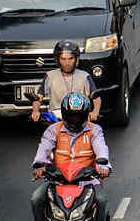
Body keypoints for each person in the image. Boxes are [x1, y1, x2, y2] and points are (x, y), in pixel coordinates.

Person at [30, 93, 110, 221]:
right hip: (57, 180)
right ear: (64, 114)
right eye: (71, 115)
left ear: (85, 115)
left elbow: (101, 149)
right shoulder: (53, 130)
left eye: (78, 116)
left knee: (101, 200)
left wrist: (103, 167)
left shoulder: (94, 130)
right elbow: (43, 149)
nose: (74, 119)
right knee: (36, 198)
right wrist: (39, 165)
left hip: (87, 181)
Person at [31, 40, 100, 123]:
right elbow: (39, 96)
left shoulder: (85, 76)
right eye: (63, 59)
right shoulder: (50, 76)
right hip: (56, 119)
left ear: (76, 59)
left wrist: (95, 112)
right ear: (58, 60)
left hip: (80, 117)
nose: (67, 63)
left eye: (71, 58)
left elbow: (96, 97)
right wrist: (35, 110)